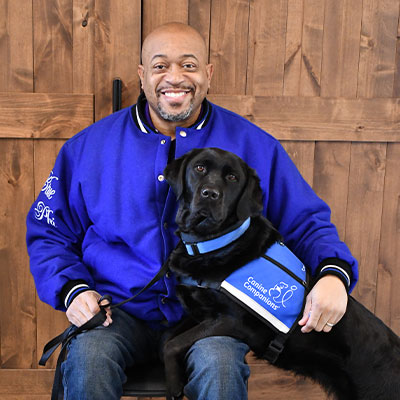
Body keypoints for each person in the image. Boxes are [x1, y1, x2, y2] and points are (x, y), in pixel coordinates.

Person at [26, 22, 358, 400]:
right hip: (117, 310)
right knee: (88, 357)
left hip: (211, 315)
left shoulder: (254, 146)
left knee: (220, 365)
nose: (175, 78)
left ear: (208, 74)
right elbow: (49, 231)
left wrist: (334, 273)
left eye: (188, 65)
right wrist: (72, 290)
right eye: (160, 66)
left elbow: (306, 222)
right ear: (142, 75)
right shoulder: (87, 148)